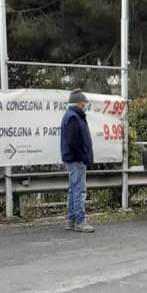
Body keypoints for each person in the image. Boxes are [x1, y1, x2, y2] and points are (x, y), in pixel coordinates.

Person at [59, 88, 95, 233]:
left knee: (73, 189)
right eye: (84, 102)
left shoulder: (72, 115)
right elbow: (75, 142)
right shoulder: (74, 117)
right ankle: (80, 221)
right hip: (76, 159)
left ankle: (71, 219)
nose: (85, 104)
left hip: (72, 158)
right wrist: (82, 155)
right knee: (79, 190)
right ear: (78, 103)